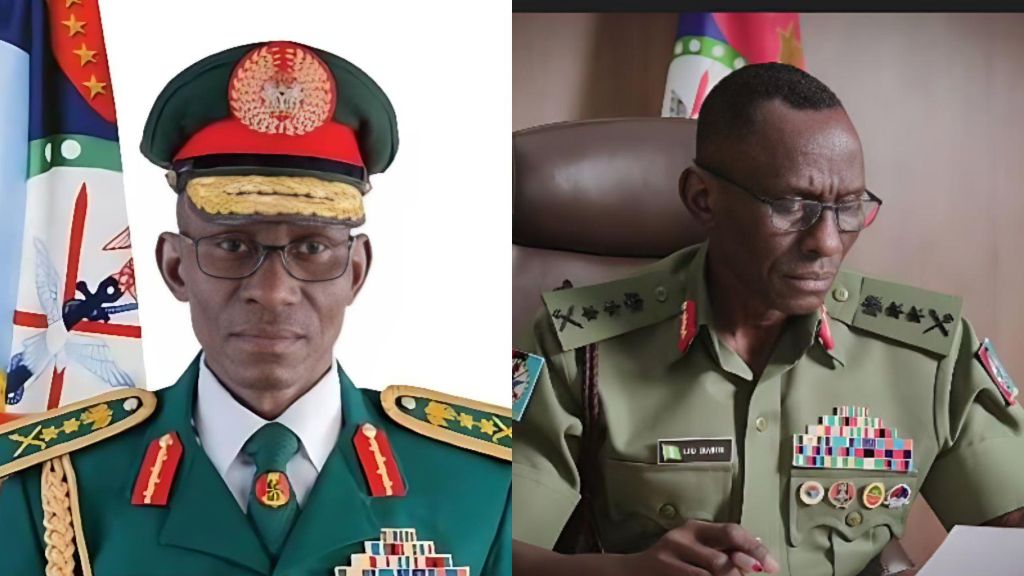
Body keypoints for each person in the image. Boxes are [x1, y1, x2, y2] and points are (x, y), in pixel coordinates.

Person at [0, 41, 510, 576]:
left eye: (311, 247)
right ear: (175, 267)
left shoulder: (480, 482)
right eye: (232, 245)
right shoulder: (58, 485)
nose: (272, 291)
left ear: (356, 271)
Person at [511, 63, 1024, 576]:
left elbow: (1012, 530)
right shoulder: (576, 346)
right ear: (702, 198)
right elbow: (485, 548)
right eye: (792, 206)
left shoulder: (927, 349)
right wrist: (628, 574)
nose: (826, 242)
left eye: (849, 207)